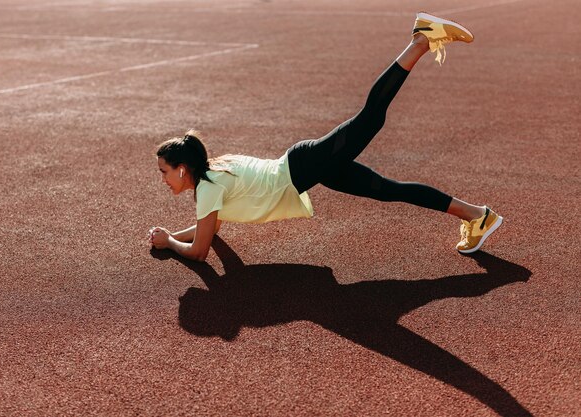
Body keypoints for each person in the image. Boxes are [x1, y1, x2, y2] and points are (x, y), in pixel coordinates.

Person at [148, 12, 503, 262]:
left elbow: (200, 251)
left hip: (304, 166)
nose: (162, 179)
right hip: (307, 167)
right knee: (385, 189)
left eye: (164, 171)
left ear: (182, 169)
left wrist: (169, 244)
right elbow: (211, 228)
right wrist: (175, 236)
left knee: (370, 118)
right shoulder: (213, 174)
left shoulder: (208, 188)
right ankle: (476, 215)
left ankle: (421, 40)